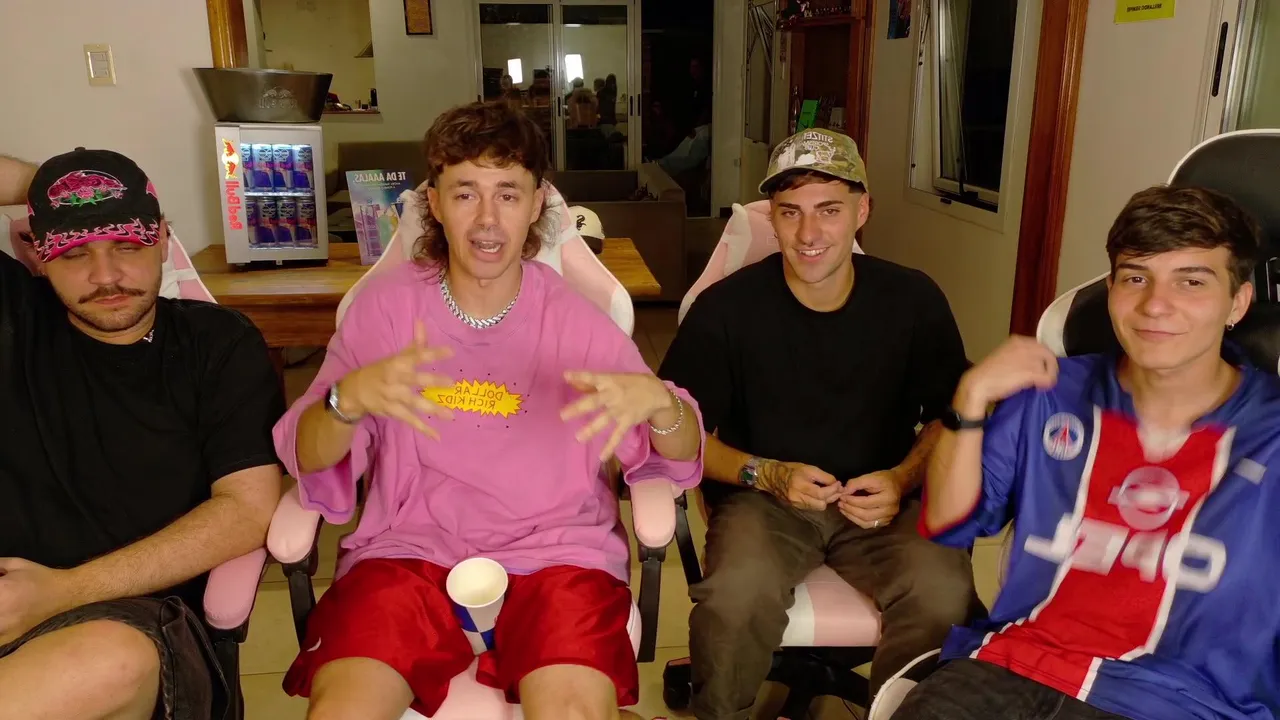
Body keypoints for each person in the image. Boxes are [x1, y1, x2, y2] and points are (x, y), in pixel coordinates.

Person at [274, 100, 705, 720]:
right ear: (434, 203)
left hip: (560, 554)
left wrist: (663, 406)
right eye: (465, 193)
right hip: (408, 552)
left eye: (507, 194)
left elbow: (680, 451)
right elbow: (308, 455)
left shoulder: (575, 320)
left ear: (536, 204)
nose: (486, 219)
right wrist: (346, 402)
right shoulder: (386, 311)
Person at [901, 185, 1280, 720]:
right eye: (1135, 278)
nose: (1155, 305)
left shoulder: (1271, 430)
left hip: (1179, 700)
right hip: (1010, 667)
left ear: (1237, 302)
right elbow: (947, 524)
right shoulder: (1051, 392)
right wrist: (971, 397)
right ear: (1110, 289)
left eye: (1191, 281)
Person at [659, 128, 982, 720]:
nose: (809, 234)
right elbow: (679, 433)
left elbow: (949, 416)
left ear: (862, 211)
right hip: (765, 500)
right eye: (791, 212)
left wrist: (903, 478)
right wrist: (766, 473)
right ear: (773, 218)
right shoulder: (725, 310)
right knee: (734, 598)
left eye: (829, 210)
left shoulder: (912, 300)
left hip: (882, 497)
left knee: (944, 596)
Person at [0, 149, 284, 720]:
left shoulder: (216, 344)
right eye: (74, 252)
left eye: (127, 246)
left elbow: (248, 510)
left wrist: (61, 592)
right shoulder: (14, 316)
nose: (105, 276)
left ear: (162, 239)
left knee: (109, 660)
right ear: (39, 253)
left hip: (132, 622)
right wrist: (50, 183)